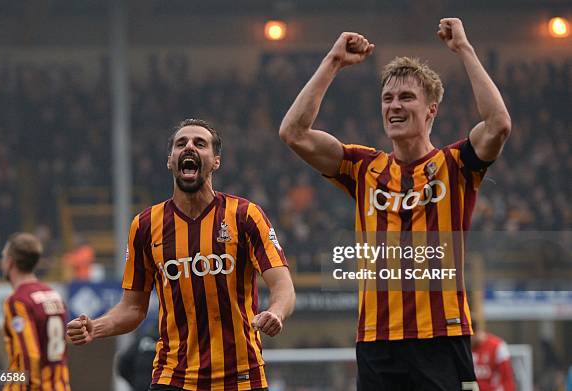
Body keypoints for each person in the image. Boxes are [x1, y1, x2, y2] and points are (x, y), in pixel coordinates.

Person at [279, 18, 511, 391]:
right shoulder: (363, 168)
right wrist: (333, 62)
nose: (394, 106)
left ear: (431, 109)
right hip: (377, 341)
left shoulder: (455, 166)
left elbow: (498, 124)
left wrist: (464, 50)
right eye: (387, 98)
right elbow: (293, 133)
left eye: (406, 97)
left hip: (441, 336)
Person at [67, 118, 296, 391]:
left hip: (241, 376)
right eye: (180, 144)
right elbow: (133, 307)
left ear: (215, 161)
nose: (189, 147)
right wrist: (97, 326)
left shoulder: (245, 216)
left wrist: (277, 312)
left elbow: (283, 285)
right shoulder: (145, 225)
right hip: (173, 378)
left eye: (200, 143)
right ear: (170, 161)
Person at [1, 232, 71, 390]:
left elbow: (29, 354)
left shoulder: (18, 301)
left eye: (3, 257)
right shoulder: (54, 295)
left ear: (10, 262)